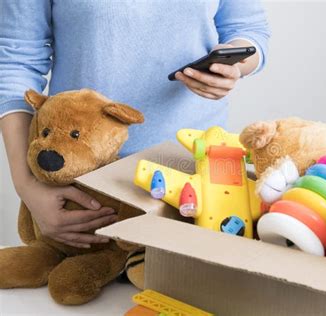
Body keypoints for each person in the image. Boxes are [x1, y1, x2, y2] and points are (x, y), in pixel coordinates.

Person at [0, 1, 270, 249]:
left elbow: (248, 30)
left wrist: (234, 65)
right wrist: (27, 184)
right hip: (83, 185)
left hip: (197, 181)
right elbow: (15, 62)